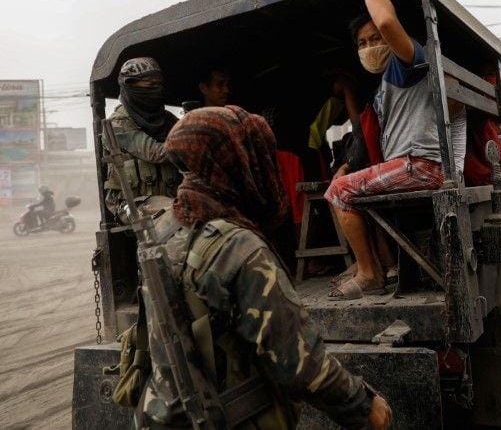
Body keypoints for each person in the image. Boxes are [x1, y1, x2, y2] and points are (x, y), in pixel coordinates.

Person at [134, 105, 391, 429]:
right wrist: (363, 405)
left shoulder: (164, 231)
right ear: (235, 161)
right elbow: (301, 365)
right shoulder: (237, 247)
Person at [324, 0, 466, 300]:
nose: (370, 45)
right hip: (409, 164)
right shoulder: (386, 82)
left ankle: (370, 274)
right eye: (362, 42)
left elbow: (387, 21)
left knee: (340, 192)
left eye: (375, 38)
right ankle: (373, 266)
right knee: (346, 186)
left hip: (422, 165)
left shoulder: (409, 61)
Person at [102, 57, 180, 222]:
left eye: (158, 84)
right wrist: (194, 144)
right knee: (178, 215)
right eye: (150, 85)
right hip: (131, 205)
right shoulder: (118, 124)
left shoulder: (168, 120)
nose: (156, 90)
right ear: (131, 87)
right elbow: (156, 153)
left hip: (169, 199)